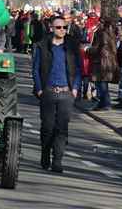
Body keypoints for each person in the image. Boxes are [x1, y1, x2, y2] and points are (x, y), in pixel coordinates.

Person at [32, 16, 82, 173]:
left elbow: (79, 69)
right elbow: (35, 69)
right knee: (47, 127)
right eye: (59, 27)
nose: (62, 30)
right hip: (48, 92)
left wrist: (74, 88)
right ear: (52, 28)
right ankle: (45, 154)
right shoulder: (42, 46)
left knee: (62, 128)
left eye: (64, 27)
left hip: (66, 93)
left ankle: (58, 160)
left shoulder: (72, 46)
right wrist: (40, 89)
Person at [89, 17, 118, 111]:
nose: (98, 24)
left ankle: (104, 103)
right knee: (102, 83)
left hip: (102, 62)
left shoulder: (102, 33)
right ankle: (104, 103)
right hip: (107, 61)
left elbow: (99, 48)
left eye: (100, 22)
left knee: (101, 83)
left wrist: (88, 50)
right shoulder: (111, 33)